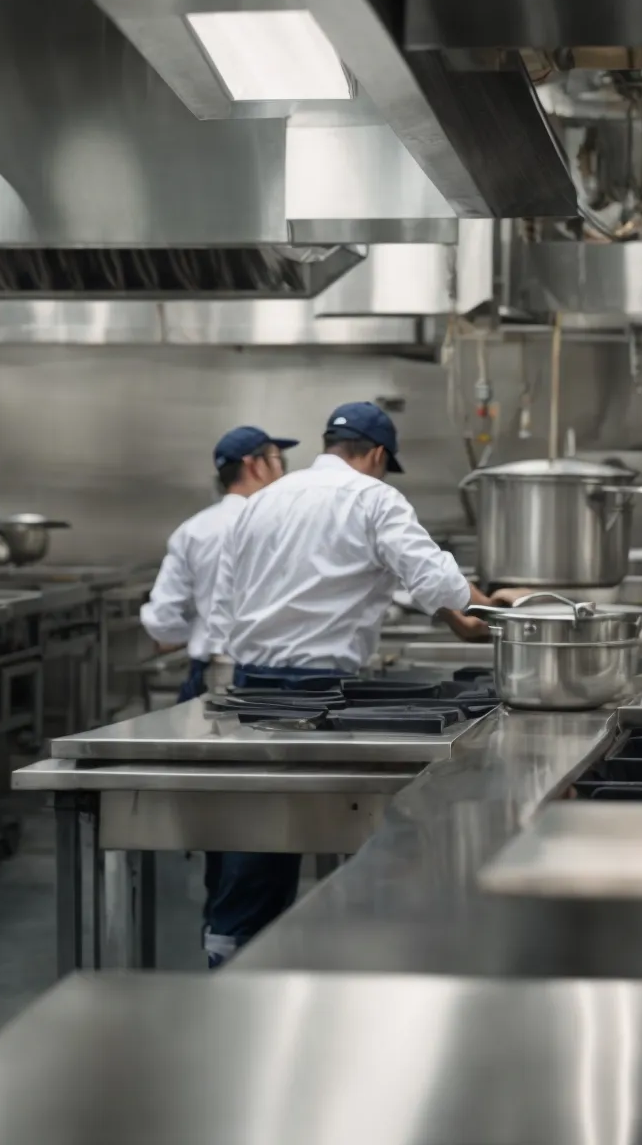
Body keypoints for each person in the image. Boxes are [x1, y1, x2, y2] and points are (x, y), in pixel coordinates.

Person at [196, 402, 495, 966]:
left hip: (246, 686)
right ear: (378, 455)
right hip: (321, 695)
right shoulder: (373, 497)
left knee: (253, 840)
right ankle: (338, 956)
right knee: (348, 832)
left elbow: (227, 602)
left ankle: (230, 959)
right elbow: (439, 585)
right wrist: (492, 611)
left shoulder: (261, 502)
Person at [140, 426, 296, 703]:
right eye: (277, 460)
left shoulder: (194, 530)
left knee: (208, 744)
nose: (282, 470)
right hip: (278, 676)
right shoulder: (287, 525)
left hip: (210, 674)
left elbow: (162, 617)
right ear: (254, 466)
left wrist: (202, 631)